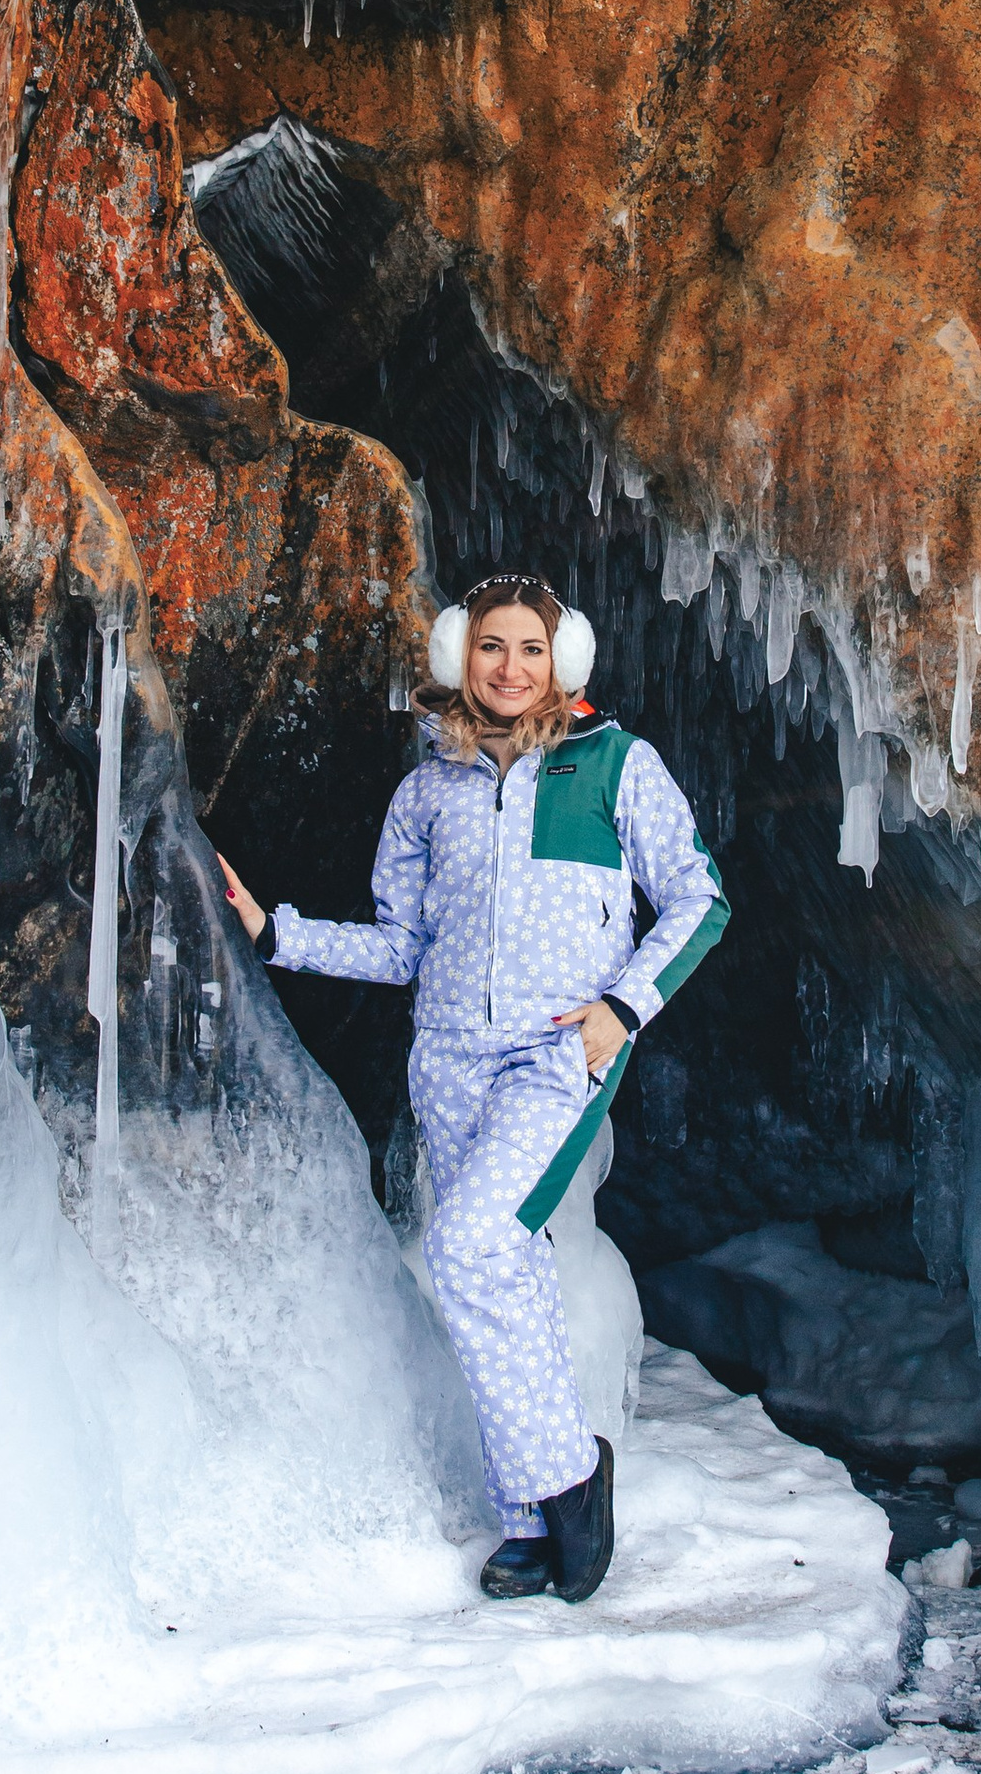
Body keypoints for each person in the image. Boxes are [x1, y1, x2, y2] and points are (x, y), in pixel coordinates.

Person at [217, 576, 729, 1604]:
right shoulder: (427, 791)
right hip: (447, 1059)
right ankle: (527, 1518)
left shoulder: (614, 768)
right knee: (508, 1275)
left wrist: (620, 1010)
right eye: (490, 646)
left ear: (562, 661)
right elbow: (404, 947)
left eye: (529, 649)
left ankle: (575, 1477)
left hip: (555, 1056)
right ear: (461, 657)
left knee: (470, 1244)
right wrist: (279, 934)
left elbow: (699, 902)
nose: (509, 667)